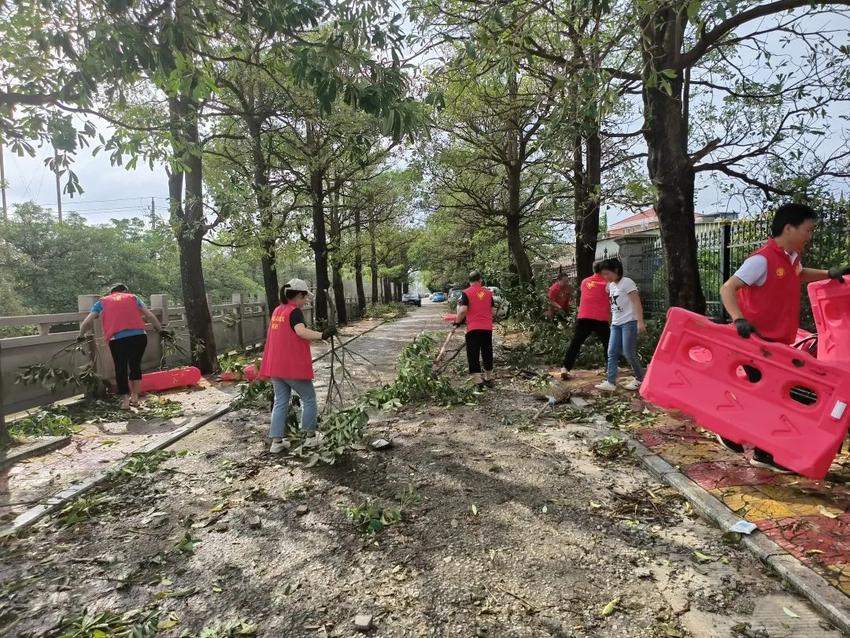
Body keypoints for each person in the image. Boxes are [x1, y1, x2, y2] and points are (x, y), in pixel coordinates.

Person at [719, 202, 850, 472]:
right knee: (773, 398)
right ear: (789, 228)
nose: (809, 235)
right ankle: (764, 454)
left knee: (766, 396)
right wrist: (738, 318)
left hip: (777, 344)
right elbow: (728, 288)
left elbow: (800, 275)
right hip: (757, 343)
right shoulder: (761, 260)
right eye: (807, 230)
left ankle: (732, 435)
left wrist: (829, 274)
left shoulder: (790, 260)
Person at [259, 279, 336, 454]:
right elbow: (300, 332)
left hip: (275, 367)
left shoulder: (277, 311)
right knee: (309, 398)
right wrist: (322, 334)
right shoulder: (294, 312)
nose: (306, 301)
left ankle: (276, 442)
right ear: (298, 295)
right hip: (291, 366)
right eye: (304, 298)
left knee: (280, 402)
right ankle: (310, 437)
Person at [78, 284, 164, 409]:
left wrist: (81, 334)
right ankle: (134, 397)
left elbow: (88, 320)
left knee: (121, 368)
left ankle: (125, 401)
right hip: (139, 337)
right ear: (125, 291)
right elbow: (150, 316)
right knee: (135, 366)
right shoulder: (134, 298)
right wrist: (160, 330)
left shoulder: (102, 302)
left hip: (118, 339)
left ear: (111, 293)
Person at [594, 258, 645, 392]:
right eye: (603, 274)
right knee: (611, 352)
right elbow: (612, 302)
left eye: (607, 274)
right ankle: (610, 382)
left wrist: (640, 321)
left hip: (629, 322)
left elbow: (636, 303)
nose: (606, 277)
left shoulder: (627, 283)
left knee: (629, 353)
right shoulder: (611, 285)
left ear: (616, 270)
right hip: (616, 324)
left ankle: (640, 379)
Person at [560, 261, 611, 379]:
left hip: (584, 316)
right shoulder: (607, 284)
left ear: (594, 270)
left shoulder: (584, 282)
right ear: (604, 270)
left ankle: (565, 367)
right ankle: (610, 367)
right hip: (600, 318)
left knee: (576, 343)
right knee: (608, 343)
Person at [454, 270, 495, 388]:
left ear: (469, 281)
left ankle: (478, 381)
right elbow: (492, 311)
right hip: (487, 328)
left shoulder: (465, 293)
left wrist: (457, 322)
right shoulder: (488, 293)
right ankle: (488, 377)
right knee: (487, 351)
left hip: (473, 328)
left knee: (473, 352)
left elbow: (462, 311)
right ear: (480, 280)